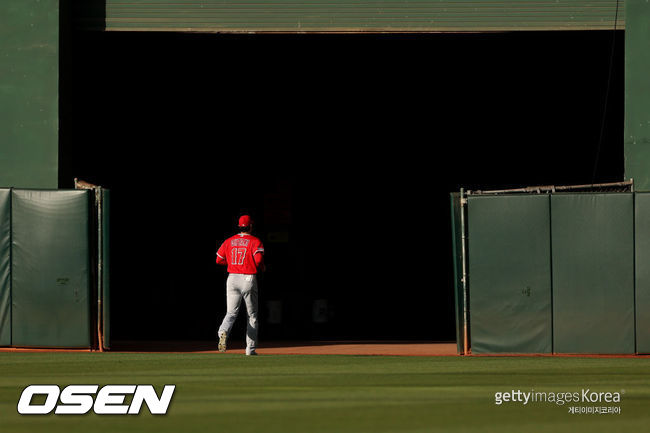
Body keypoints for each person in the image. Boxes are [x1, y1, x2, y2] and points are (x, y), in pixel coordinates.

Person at [215, 215, 265, 356]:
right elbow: (258, 259)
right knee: (252, 315)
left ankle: (223, 332)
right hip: (248, 278)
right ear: (250, 226)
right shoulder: (255, 241)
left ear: (239, 226)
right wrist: (262, 267)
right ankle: (250, 349)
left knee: (231, 313)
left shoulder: (229, 241)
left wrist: (232, 263)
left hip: (232, 278)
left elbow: (219, 260)